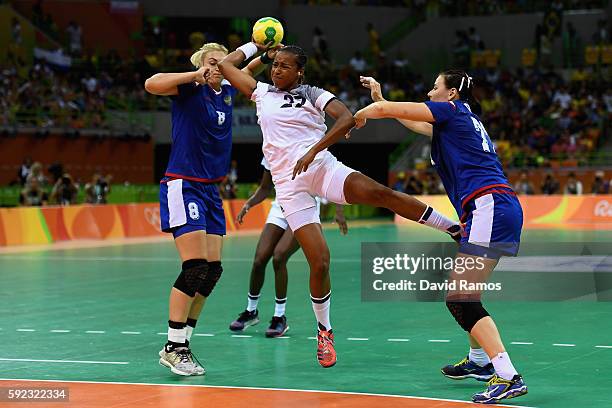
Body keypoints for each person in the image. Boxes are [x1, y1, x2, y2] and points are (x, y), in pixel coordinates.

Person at [218, 42, 462, 369]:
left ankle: (453, 228)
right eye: (274, 65)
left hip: (321, 168)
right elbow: (225, 65)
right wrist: (258, 48)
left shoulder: (312, 93)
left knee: (381, 193)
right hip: (289, 187)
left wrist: (313, 150)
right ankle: (325, 331)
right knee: (319, 261)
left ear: (299, 71)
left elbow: (345, 118)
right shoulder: (261, 92)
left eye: (284, 66)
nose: (277, 70)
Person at [355, 72, 527, 404]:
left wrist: (356, 116)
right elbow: (406, 117)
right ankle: (479, 362)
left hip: (488, 205)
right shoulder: (458, 119)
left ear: (450, 94)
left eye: (435, 87)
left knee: (460, 298)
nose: (428, 91)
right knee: (467, 294)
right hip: (493, 207)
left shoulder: (451, 110)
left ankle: (508, 375)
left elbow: (388, 113)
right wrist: (381, 99)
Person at [144, 41, 277, 376]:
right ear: (202, 66)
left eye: (222, 61)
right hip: (183, 183)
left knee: (211, 270)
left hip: (210, 190)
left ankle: (181, 339)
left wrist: (264, 50)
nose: (218, 66)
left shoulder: (228, 89)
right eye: (212, 62)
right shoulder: (189, 88)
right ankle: (175, 346)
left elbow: (249, 69)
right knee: (194, 267)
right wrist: (197, 74)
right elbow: (152, 83)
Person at [229, 157, 348, 338]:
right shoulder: (271, 149)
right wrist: (249, 204)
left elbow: (332, 180)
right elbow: (265, 188)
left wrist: (339, 212)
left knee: (279, 257)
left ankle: (279, 317)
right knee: (260, 259)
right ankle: (251, 311)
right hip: (280, 207)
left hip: (305, 209)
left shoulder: (308, 144)